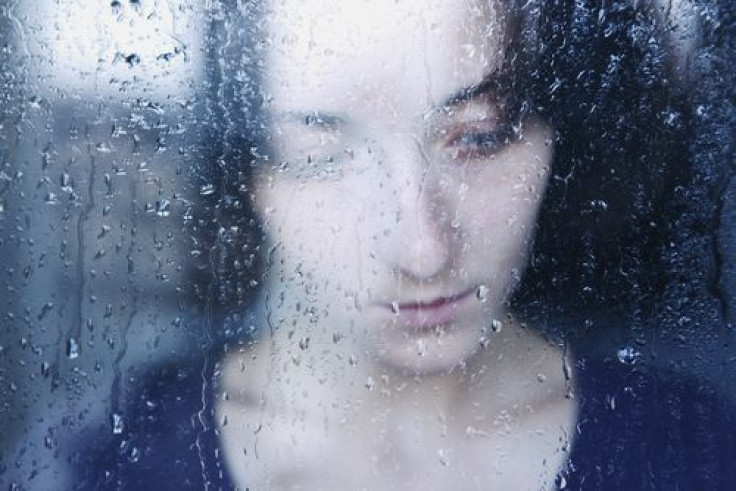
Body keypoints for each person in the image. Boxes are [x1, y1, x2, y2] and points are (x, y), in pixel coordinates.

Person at [74, 0, 736, 489]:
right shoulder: (119, 458)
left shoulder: (695, 451)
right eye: (322, 155)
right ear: (250, 176)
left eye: (479, 136)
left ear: (554, 133)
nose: (422, 250)